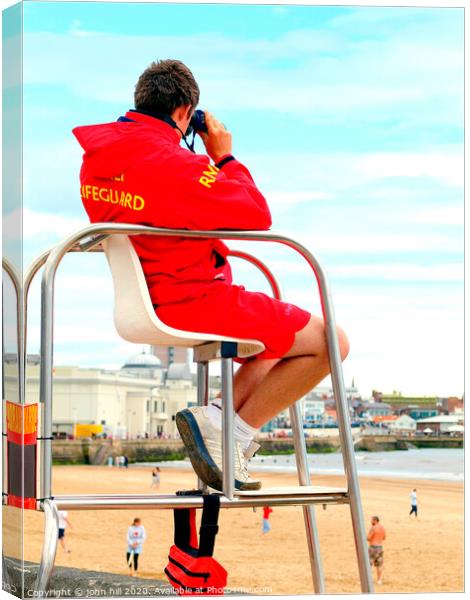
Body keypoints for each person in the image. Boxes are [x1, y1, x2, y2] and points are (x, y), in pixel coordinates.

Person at [73, 59, 349, 493]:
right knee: (332, 342)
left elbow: (159, 207)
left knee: (277, 337)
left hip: (145, 302)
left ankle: (224, 429)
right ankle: (228, 430)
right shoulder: (174, 165)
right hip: (191, 300)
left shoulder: (96, 163)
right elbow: (255, 212)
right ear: (185, 112)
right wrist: (223, 155)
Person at [367, 515, 386, 585]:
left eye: (372, 520)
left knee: (369, 564)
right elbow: (384, 537)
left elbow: (368, 538)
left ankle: (368, 579)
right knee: (379, 565)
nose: (371, 522)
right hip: (380, 547)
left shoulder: (373, 528)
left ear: (375, 521)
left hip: (373, 547)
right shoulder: (382, 528)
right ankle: (379, 580)